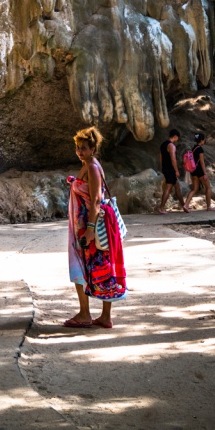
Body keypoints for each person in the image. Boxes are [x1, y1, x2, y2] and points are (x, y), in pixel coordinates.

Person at [65, 126, 127, 329]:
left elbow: (96, 201)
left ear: (93, 149)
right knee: (96, 267)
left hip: (89, 227)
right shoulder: (87, 164)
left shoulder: (92, 167)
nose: (79, 151)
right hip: (82, 226)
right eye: (77, 147)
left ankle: (85, 314)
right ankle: (103, 316)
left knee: (95, 267)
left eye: (83, 147)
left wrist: (90, 229)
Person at [158, 128, 187, 213]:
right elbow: (173, 159)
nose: (177, 139)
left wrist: (163, 166)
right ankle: (161, 208)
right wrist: (176, 170)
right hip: (171, 169)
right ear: (175, 136)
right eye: (178, 137)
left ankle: (184, 205)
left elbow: (160, 157)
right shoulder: (171, 146)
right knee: (168, 188)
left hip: (165, 167)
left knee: (177, 187)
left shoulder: (163, 144)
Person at [184, 132, 212, 211]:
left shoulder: (193, 148)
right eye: (204, 140)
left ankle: (186, 205)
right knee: (208, 187)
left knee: (194, 189)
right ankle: (209, 206)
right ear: (202, 140)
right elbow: (202, 162)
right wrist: (205, 173)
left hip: (193, 170)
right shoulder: (200, 149)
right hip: (199, 170)